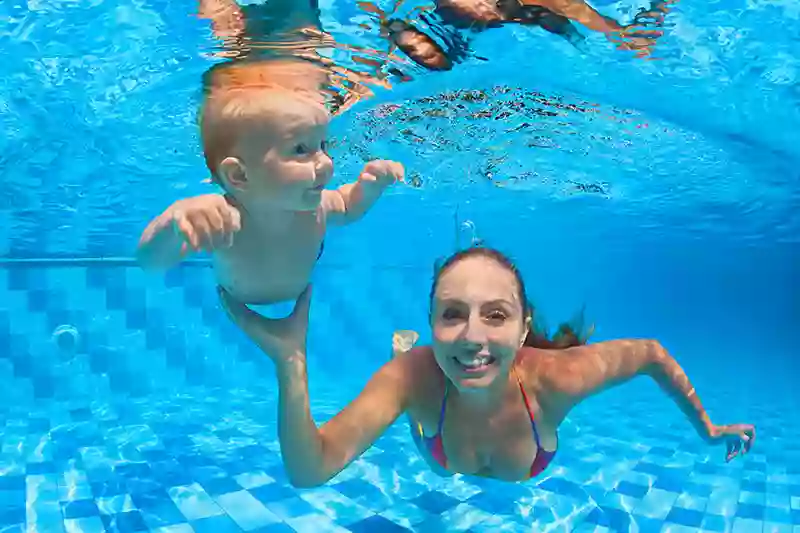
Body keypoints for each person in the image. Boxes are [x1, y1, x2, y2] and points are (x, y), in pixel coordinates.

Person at [218, 246, 756, 487]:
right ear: (430, 322)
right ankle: (406, 379)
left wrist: (708, 431)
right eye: (452, 315)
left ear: (524, 329)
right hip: (435, 429)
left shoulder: (559, 377)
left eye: (495, 316)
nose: (473, 336)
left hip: (478, 400)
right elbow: (309, 471)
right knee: (416, 396)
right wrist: (290, 363)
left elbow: (653, 355)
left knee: (425, 387)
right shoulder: (414, 375)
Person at [136, 1, 404, 314]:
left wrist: (370, 188)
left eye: (323, 146)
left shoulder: (315, 208)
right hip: (234, 305)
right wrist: (173, 223)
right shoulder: (225, 219)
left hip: (292, 300)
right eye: (301, 150)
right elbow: (150, 262)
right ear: (240, 176)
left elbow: (346, 207)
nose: (327, 164)